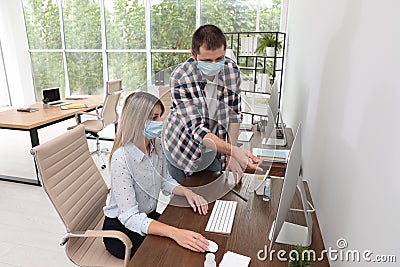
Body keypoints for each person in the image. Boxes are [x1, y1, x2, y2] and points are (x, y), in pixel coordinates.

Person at [102, 92, 210, 259]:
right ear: (137, 120)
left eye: (160, 116)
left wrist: (187, 192)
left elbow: (165, 179)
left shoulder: (156, 144)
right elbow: (130, 217)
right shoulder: (121, 158)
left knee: (190, 235)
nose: (161, 122)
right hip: (120, 230)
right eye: (154, 117)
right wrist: (175, 233)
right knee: (170, 253)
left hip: (146, 216)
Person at [164, 24, 262, 184]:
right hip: (181, 148)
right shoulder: (181, 78)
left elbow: (234, 115)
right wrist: (234, 151)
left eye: (219, 59)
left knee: (213, 194)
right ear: (193, 55)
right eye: (207, 60)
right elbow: (196, 129)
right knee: (186, 199)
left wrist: (230, 155)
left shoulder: (231, 70)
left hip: (213, 149)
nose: (214, 65)